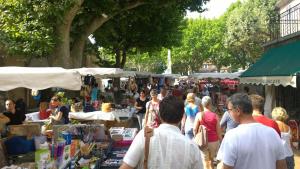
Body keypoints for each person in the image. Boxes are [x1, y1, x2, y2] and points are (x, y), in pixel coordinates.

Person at [120, 96, 203, 169]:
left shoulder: (145, 136)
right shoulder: (192, 147)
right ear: (182, 116)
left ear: (159, 115)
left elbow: (126, 166)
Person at [217, 93, 287, 169]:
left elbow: (226, 167)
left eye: (229, 110)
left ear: (237, 111)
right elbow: (282, 166)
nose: (228, 113)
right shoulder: (273, 133)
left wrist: (219, 165)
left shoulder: (232, 136)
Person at [194, 96, 222, 169]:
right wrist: (221, 141)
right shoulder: (215, 116)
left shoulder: (199, 115)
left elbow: (194, 129)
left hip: (203, 141)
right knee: (211, 160)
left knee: (205, 161)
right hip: (214, 142)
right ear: (210, 104)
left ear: (202, 104)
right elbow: (219, 131)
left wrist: (196, 137)